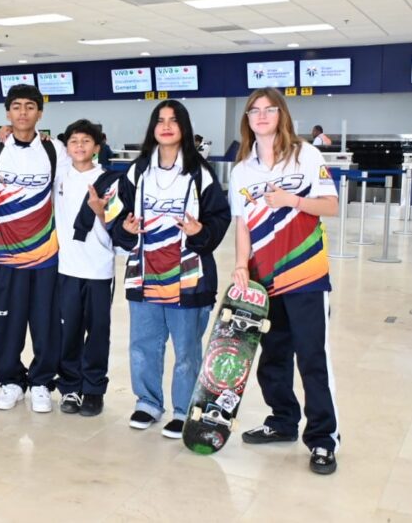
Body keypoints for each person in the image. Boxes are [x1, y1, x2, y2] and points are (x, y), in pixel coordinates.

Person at [229, 88, 340, 475]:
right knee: (273, 359)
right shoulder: (241, 168)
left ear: (281, 115)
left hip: (307, 275)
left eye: (268, 109)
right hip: (265, 281)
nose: (261, 116)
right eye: (254, 110)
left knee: (312, 358)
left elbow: (331, 205)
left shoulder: (306, 155)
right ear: (247, 119)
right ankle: (281, 421)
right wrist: (241, 265)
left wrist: (292, 201)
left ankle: (323, 439)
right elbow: (242, 223)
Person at [112, 100, 230, 439]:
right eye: (160, 120)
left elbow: (220, 217)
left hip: (188, 277)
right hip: (145, 274)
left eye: (173, 120)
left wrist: (200, 233)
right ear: (152, 128)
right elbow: (117, 217)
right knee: (143, 344)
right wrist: (126, 229)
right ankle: (147, 402)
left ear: (184, 127)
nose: (166, 126)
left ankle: (184, 409)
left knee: (187, 349)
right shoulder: (137, 172)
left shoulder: (200, 173)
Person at [0, 84, 71, 413]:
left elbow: (72, 193)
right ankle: (10, 380)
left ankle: (41, 381)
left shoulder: (57, 150)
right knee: (5, 322)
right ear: (7, 113)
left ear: (40, 113)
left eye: (29, 106)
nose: (23, 112)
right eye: (16, 107)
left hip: (44, 255)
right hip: (6, 256)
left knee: (45, 321)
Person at [54, 119, 123, 416]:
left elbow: (119, 229)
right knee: (68, 331)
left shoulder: (112, 181)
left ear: (97, 146)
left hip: (99, 269)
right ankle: (70, 387)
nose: (79, 146)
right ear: (66, 147)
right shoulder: (60, 177)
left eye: (86, 141)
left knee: (97, 332)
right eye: (73, 141)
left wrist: (102, 212)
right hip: (67, 267)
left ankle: (94, 389)